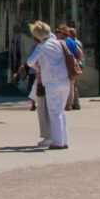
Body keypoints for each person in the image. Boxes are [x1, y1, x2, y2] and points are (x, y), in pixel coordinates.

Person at [25, 21, 74, 150]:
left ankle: (57, 142)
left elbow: (30, 61)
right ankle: (64, 140)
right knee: (61, 112)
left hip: (52, 81)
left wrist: (39, 67)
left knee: (54, 112)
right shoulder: (59, 43)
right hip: (65, 80)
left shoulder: (42, 46)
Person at [59, 25, 84, 109]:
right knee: (72, 85)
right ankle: (72, 104)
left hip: (65, 64)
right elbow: (80, 52)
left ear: (62, 33)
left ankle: (67, 104)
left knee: (66, 85)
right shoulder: (73, 42)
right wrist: (78, 62)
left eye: (58, 32)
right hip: (73, 64)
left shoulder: (61, 42)